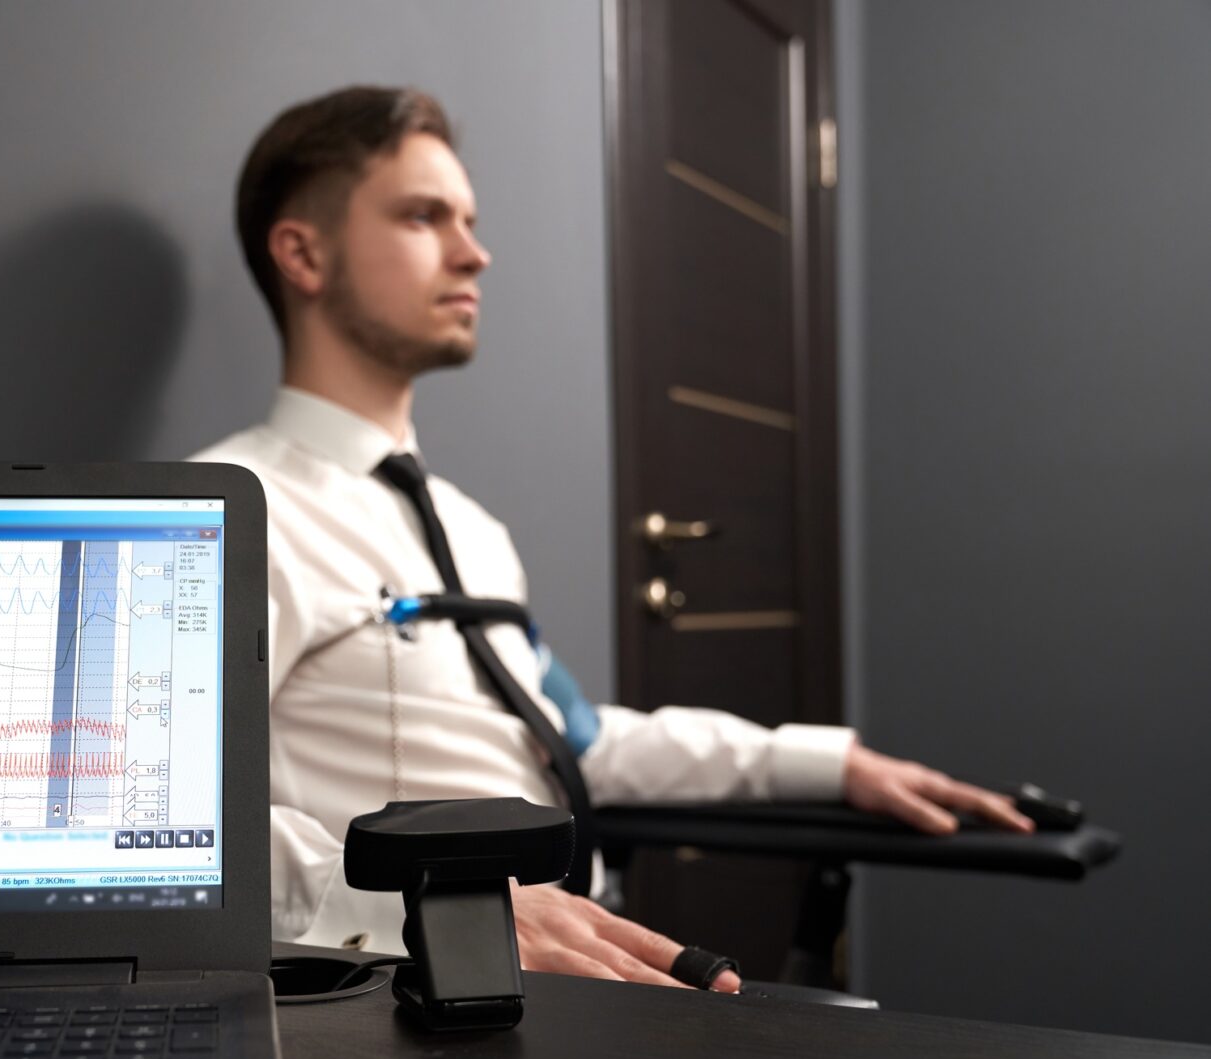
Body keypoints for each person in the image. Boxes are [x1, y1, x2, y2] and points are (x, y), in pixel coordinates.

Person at [190, 85, 1032, 991]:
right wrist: (425, 907)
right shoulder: (229, 517)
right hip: (407, 992)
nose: (473, 253)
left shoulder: (471, 532)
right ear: (303, 253)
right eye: (423, 217)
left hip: (562, 970)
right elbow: (160, 826)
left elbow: (576, 740)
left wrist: (825, 764)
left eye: (469, 221)